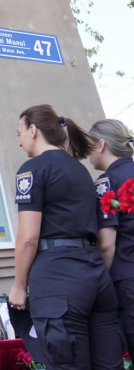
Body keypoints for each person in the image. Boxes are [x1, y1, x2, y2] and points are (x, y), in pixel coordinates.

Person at [8, 105, 123, 369]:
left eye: (19, 133)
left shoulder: (32, 168)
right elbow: (105, 242)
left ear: (33, 130)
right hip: (96, 278)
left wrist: (19, 285)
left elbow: (28, 236)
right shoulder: (82, 171)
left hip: (58, 280)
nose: (19, 142)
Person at [88, 118, 134, 353]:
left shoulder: (108, 181)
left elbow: (106, 244)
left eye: (88, 146)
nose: (87, 153)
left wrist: (98, 283)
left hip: (127, 278)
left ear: (101, 145)